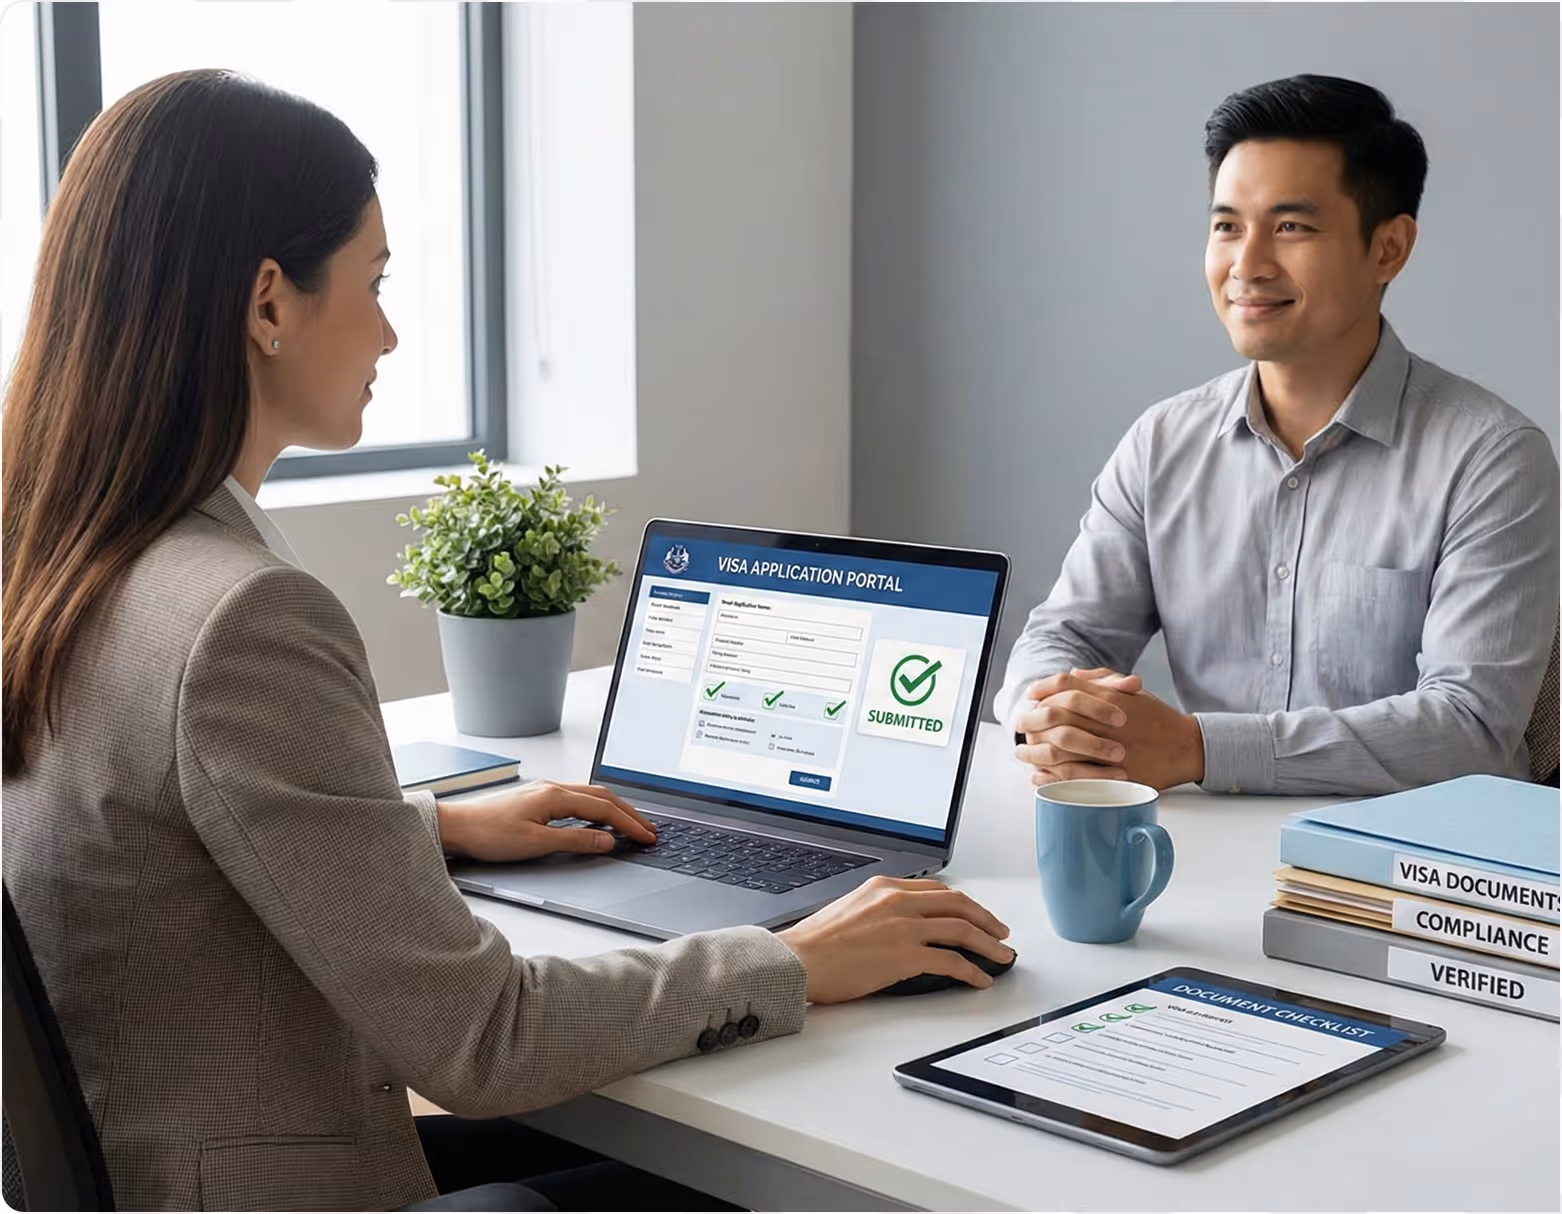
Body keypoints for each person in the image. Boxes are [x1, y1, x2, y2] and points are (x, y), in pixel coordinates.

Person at [0, 70, 1013, 1212]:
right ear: (268, 303)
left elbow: (153, 836)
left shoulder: (61, 557)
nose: (390, 331)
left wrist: (433, 829)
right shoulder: (242, 619)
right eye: (375, 283)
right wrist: (795, 958)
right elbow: (484, 1038)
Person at [996, 74, 1559, 797]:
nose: (1247, 265)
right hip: (1203, 844)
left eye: (1291, 227)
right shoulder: (1162, 443)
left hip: (1410, 856)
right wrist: (1048, 714)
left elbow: (1470, 726)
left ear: (1388, 249)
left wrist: (1200, 749)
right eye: (1227, 226)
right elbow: (1065, 635)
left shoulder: (1493, 458)